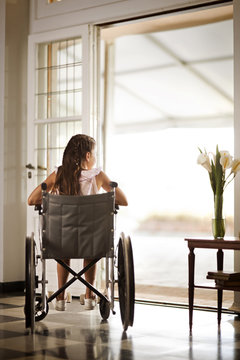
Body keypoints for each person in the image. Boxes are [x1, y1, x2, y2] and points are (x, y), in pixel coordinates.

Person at [28, 134, 128, 311]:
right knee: (92, 242)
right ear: (88, 156)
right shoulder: (97, 176)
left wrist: (52, 200)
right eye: (94, 154)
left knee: (63, 243)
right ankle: (90, 296)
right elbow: (123, 200)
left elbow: (32, 199)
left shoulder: (57, 175)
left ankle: (59, 297)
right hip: (91, 241)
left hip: (61, 241)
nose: (95, 158)